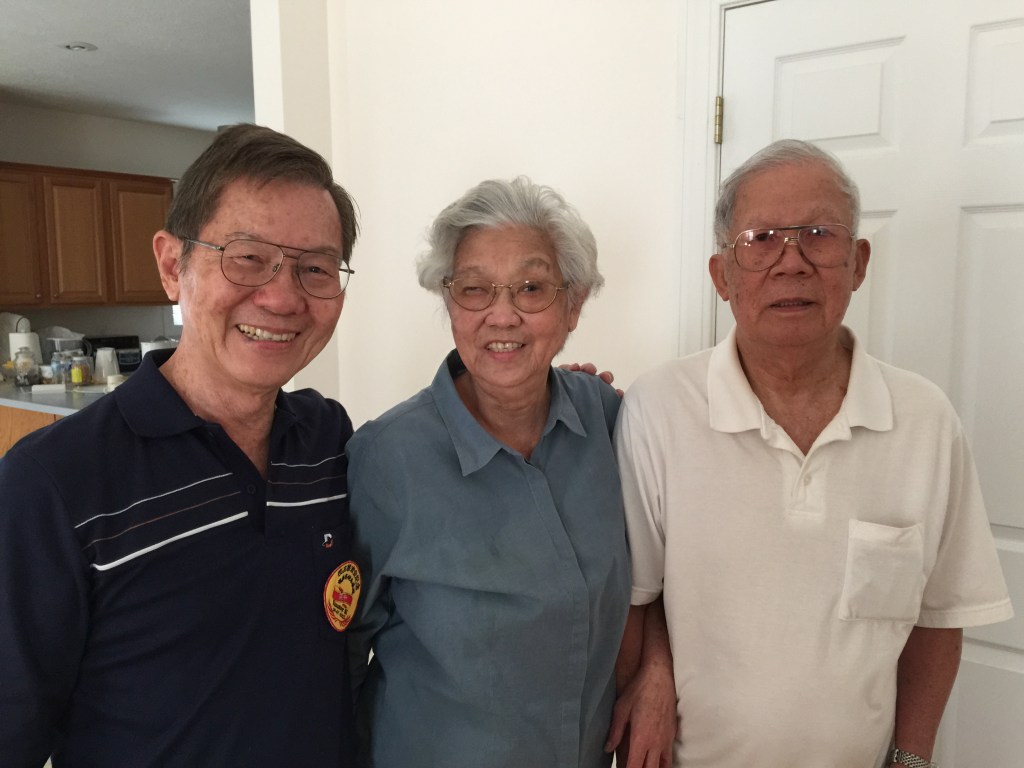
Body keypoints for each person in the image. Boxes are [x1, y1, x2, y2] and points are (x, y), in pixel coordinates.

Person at [613, 139, 1013, 768]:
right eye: (762, 239)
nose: (791, 263)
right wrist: (655, 668)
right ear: (721, 275)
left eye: (819, 235)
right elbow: (637, 594)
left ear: (858, 263)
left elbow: (939, 617)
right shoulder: (659, 408)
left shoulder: (924, 421)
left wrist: (910, 760)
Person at [0, 124, 362, 767]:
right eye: (247, 257)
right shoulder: (50, 485)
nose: (283, 297)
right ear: (173, 266)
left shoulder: (330, 442)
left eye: (315, 268)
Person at [347, 177, 630, 767]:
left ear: (573, 306)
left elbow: (654, 588)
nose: (502, 315)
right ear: (450, 304)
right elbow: (335, 659)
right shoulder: (386, 460)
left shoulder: (610, 420)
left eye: (531, 288)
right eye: (474, 289)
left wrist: (654, 675)